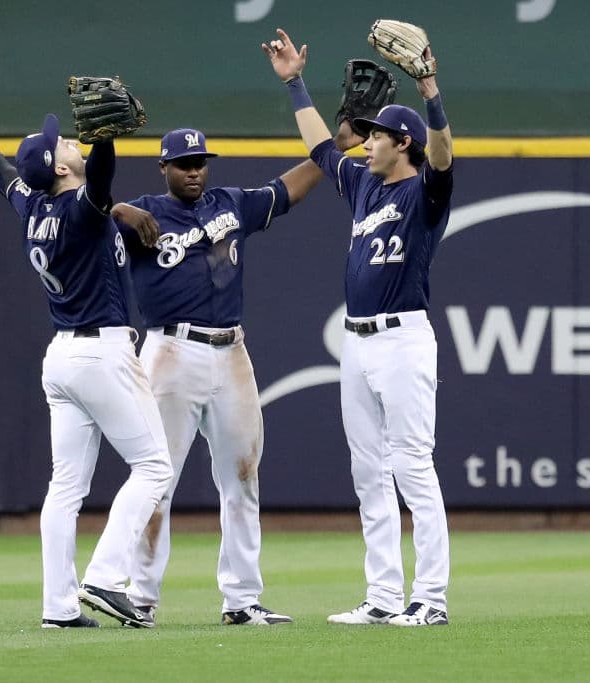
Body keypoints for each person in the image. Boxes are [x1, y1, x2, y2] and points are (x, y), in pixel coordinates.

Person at [0, 66, 172, 629]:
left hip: (63, 359)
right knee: (154, 468)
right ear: (61, 168)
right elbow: (102, 176)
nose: (68, 139)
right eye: (63, 142)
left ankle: (58, 608)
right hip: (101, 354)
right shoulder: (80, 211)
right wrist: (105, 137)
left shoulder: (32, 206)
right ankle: (105, 577)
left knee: (65, 487)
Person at [111, 126, 355, 626]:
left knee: (243, 477)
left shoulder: (230, 203)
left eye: (200, 161)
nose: (194, 170)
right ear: (163, 168)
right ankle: (141, 596)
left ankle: (242, 600)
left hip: (231, 350)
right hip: (171, 350)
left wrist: (335, 147)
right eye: (184, 163)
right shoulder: (145, 213)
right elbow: (85, 217)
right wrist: (118, 210)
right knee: (157, 479)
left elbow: (286, 191)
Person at [262, 28, 453, 627]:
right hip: (358, 342)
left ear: (403, 142)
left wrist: (429, 92)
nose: (365, 143)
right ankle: (383, 596)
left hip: (402, 340)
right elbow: (322, 148)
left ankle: (431, 599)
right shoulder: (364, 183)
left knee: (412, 466)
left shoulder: (425, 192)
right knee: (368, 472)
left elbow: (443, 155)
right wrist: (295, 83)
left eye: (376, 137)